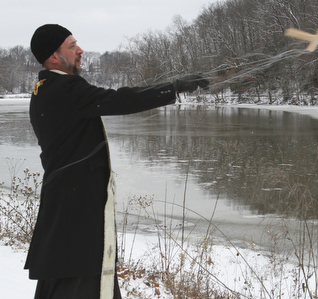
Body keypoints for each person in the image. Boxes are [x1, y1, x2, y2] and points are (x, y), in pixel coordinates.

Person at [25, 24, 209, 299]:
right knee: (81, 273)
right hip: (75, 208)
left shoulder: (44, 88)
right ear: (54, 56)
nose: (80, 50)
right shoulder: (64, 88)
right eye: (72, 46)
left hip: (65, 200)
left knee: (66, 272)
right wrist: (172, 88)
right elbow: (118, 100)